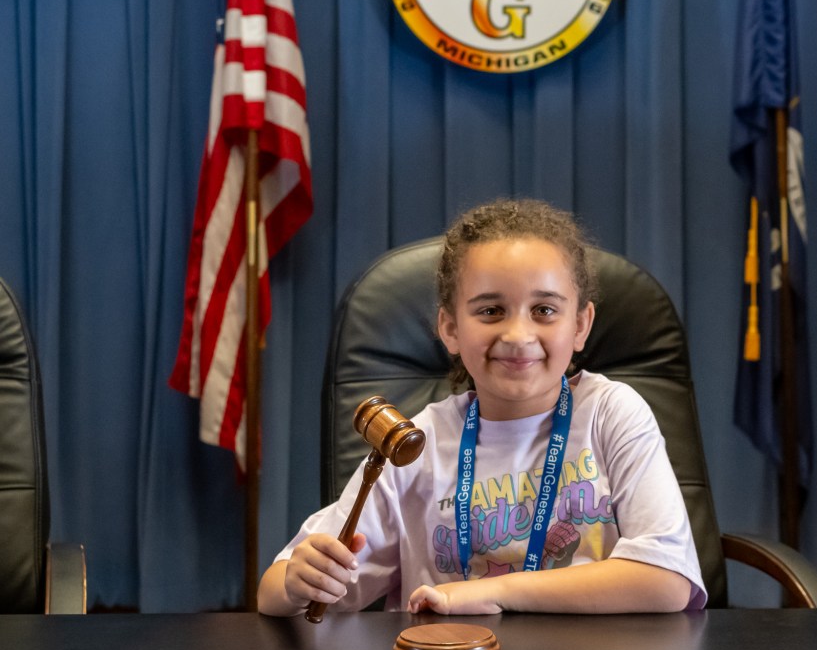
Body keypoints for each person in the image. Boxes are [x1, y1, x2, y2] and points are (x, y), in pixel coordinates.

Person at [257, 199, 707, 616]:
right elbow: (274, 590)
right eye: (491, 311)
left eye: (544, 310)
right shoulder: (417, 445)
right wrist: (299, 582)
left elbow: (667, 580)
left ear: (580, 325)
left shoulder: (611, 413)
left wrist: (493, 591)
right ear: (451, 329)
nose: (518, 335)